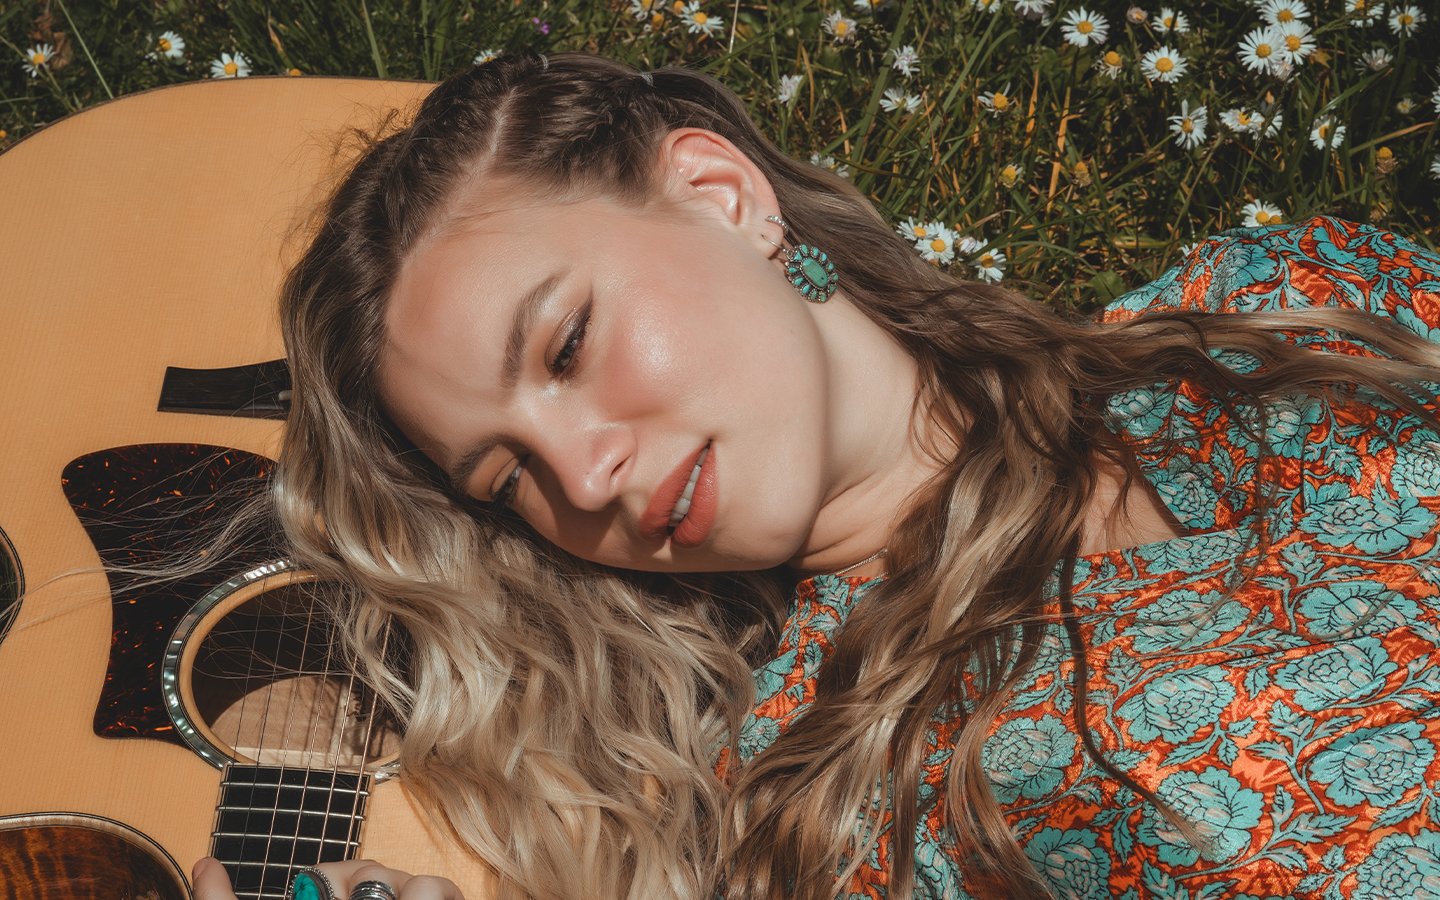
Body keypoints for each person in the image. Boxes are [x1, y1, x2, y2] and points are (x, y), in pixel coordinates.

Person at [193, 51, 1440, 900]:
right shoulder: (795, 802)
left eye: (568, 345)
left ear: (721, 194)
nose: (583, 474)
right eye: (507, 479)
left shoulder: (1287, 308)